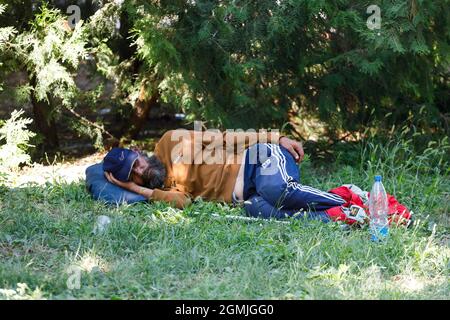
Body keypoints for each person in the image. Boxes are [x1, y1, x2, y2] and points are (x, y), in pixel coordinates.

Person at [103, 129, 345, 221]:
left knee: (277, 190)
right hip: (248, 195)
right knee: (268, 213)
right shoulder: (161, 188)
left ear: (138, 152)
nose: (140, 170)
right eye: (132, 175)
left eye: (136, 163)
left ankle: (347, 199)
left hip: (258, 160)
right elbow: (183, 201)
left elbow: (226, 138)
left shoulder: (169, 141)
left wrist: (277, 138)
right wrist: (138, 190)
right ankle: (344, 214)